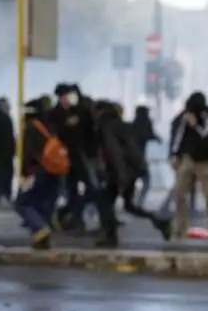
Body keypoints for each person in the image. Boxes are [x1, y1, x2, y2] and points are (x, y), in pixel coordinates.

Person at [93, 100, 171, 247]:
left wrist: (118, 174)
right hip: (132, 171)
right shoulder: (123, 125)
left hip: (118, 171)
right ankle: (159, 221)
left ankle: (110, 236)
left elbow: (113, 151)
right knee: (128, 205)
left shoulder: (106, 127)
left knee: (104, 202)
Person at [169, 92, 208, 240]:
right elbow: (178, 135)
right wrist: (174, 154)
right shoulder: (185, 116)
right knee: (179, 193)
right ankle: (181, 228)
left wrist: (195, 125)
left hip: (207, 161)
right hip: (189, 158)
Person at [14, 96, 64, 250]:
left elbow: (28, 152)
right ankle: (42, 240)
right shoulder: (51, 126)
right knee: (43, 205)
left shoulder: (31, 127)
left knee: (22, 203)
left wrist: (24, 173)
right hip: (56, 171)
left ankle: (39, 229)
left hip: (38, 171)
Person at [51, 83, 97, 234]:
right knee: (72, 191)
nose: (65, 100)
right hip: (64, 159)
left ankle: (68, 213)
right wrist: (66, 125)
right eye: (62, 97)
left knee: (92, 189)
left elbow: (89, 128)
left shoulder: (79, 111)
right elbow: (54, 133)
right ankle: (77, 222)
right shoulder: (55, 114)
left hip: (79, 156)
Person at [129, 105, 161, 207]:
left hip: (131, 159)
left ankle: (132, 201)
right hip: (141, 159)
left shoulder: (132, 126)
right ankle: (139, 201)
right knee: (146, 182)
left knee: (132, 183)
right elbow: (151, 135)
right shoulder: (147, 124)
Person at [0, 97, 16, 205]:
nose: (7, 107)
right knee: (0, 175)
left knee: (7, 174)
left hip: (7, 153)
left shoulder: (8, 119)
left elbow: (10, 137)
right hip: (0, 153)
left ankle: (5, 195)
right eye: (5, 105)